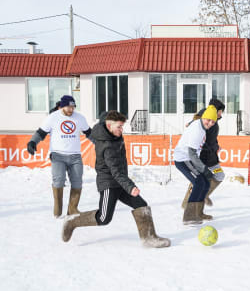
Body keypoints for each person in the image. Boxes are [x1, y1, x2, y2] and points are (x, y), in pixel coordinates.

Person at [62, 111, 170, 248]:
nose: (121, 129)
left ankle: (149, 238)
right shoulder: (106, 145)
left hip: (120, 181)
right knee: (104, 218)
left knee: (141, 204)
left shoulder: (114, 136)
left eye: (122, 126)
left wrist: (127, 185)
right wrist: (130, 187)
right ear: (108, 125)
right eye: (119, 126)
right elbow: (115, 171)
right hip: (109, 183)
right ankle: (72, 221)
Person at [26, 95, 93, 218]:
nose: (71, 110)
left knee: (77, 182)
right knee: (59, 180)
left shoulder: (80, 118)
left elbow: (89, 133)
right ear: (62, 106)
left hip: (75, 155)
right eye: (69, 107)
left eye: (73, 107)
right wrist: (32, 142)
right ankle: (58, 209)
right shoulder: (52, 118)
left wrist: (101, 143)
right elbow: (41, 132)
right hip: (58, 155)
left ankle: (72, 209)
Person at [174, 105, 217, 224]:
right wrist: (204, 169)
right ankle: (189, 216)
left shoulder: (200, 124)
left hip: (190, 158)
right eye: (208, 120)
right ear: (204, 118)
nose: (210, 123)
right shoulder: (198, 130)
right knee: (199, 182)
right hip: (183, 159)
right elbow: (192, 154)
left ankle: (198, 213)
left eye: (213, 122)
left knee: (206, 183)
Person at [181, 98, 226, 209]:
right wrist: (215, 146)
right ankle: (189, 204)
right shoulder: (207, 121)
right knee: (199, 181)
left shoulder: (210, 120)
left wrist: (216, 145)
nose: (221, 114)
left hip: (211, 157)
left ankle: (203, 195)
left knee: (219, 175)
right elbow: (203, 141)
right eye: (221, 111)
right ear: (215, 110)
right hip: (204, 158)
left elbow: (210, 139)